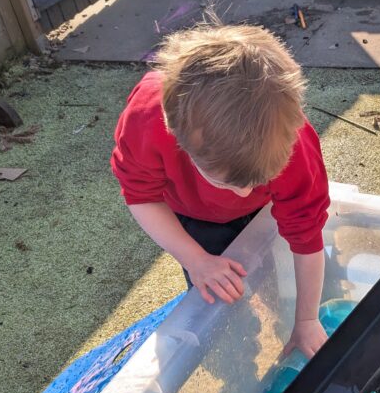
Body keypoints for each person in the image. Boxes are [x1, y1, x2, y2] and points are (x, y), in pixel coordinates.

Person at [111, 20, 330, 359]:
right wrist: (195, 259)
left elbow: (307, 236)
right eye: (225, 181)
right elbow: (141, 196)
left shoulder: (293, 144)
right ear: (176, 134)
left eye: (256, 181)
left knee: (280, 280)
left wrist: (306, 318)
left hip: (265, 213)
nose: (242, 194)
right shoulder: (147, 117)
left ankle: (283, 314)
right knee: (221, 303)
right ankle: (234, 354)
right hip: (193, 218)